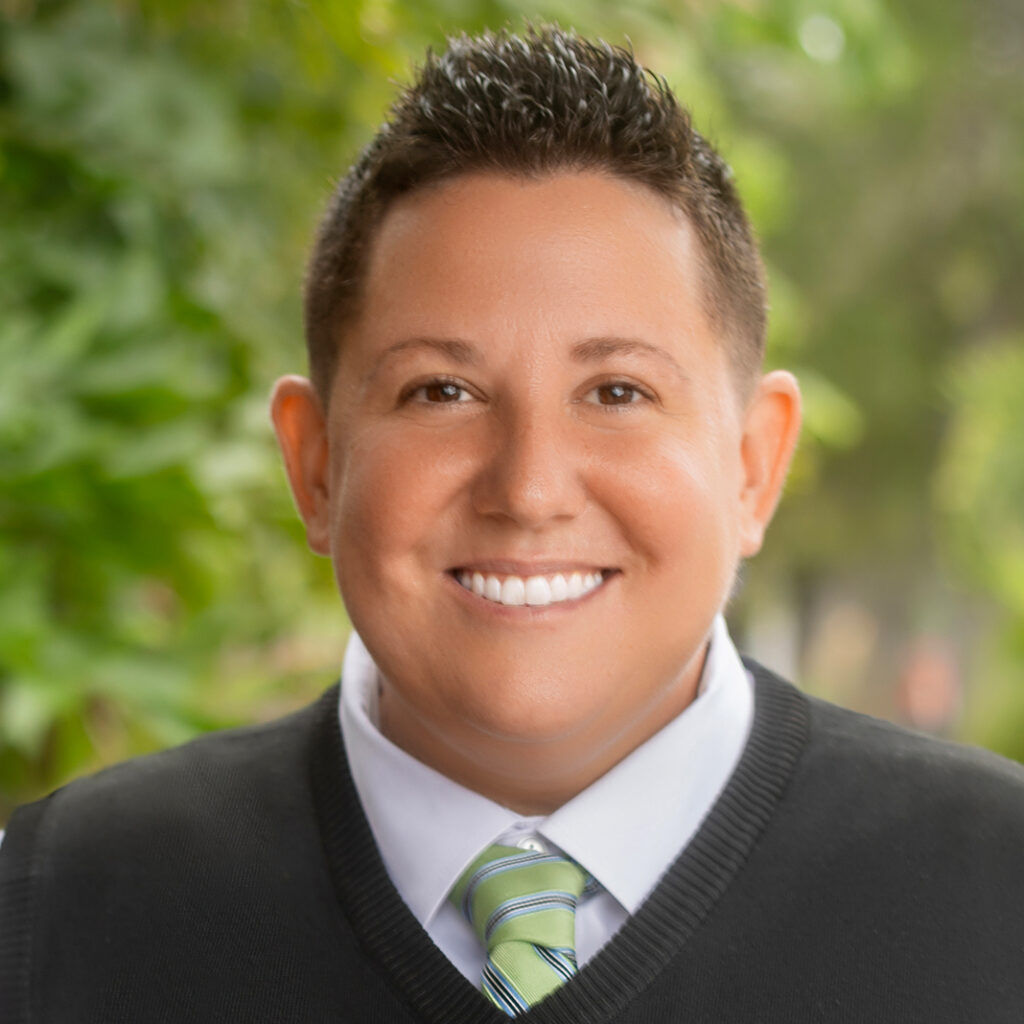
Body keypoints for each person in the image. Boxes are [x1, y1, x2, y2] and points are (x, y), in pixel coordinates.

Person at [1, 25, 1022, 1023]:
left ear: (754, 465)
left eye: (617, 392)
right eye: (440, 390)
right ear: (313, 464)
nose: (528, 489)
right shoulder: (49, 913)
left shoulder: (995, 896)